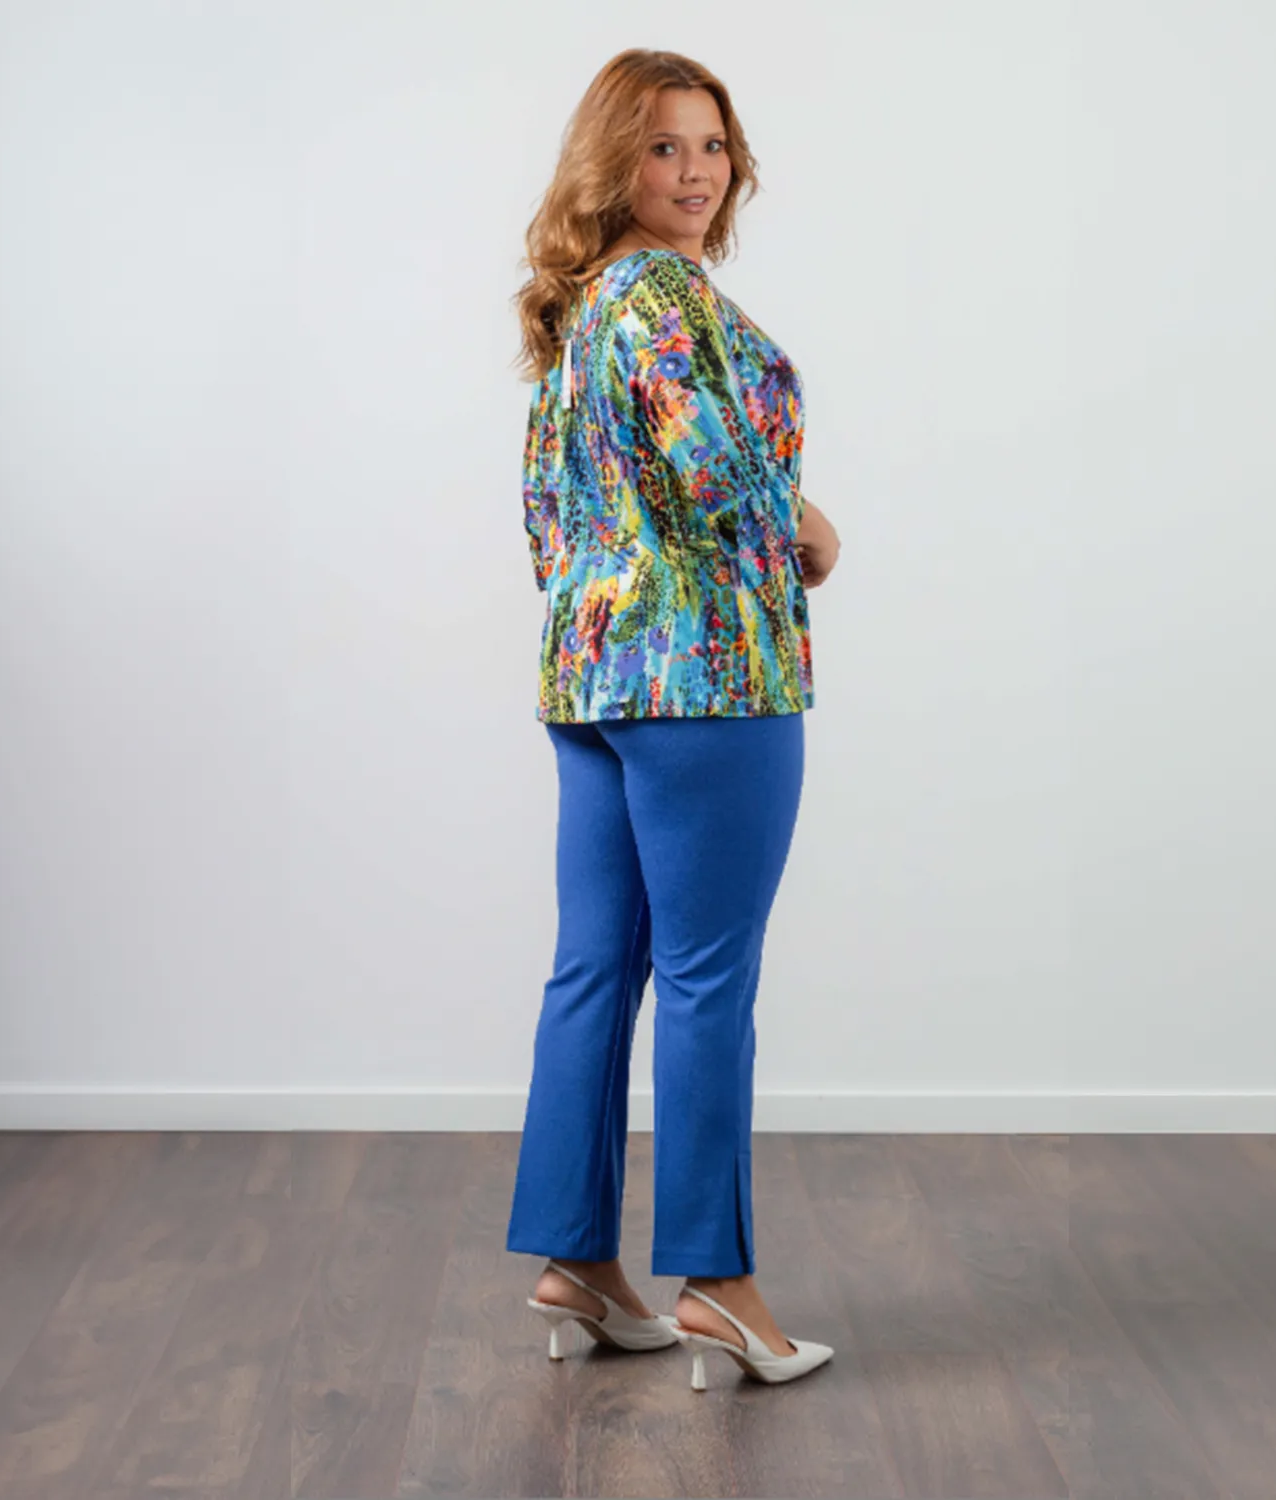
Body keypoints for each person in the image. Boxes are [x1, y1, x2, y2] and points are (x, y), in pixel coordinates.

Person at [504, 48, 842, 1391]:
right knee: (709, 978)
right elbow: (713, 465)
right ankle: (719, 1284)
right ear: (614, 162)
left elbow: (545, 510)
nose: (696, 172)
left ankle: (577, 1263)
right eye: (662, 147)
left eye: (712, 144)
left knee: (595, 968)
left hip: (594, 676)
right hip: (710, 678)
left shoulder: (583, 303)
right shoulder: (661, 296)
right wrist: (805, 524)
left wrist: (604, 613)